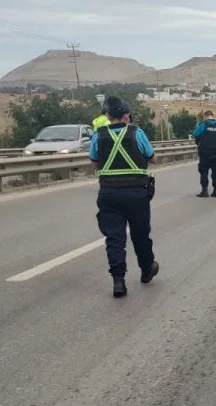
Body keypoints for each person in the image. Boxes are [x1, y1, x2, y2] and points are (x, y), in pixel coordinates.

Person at [89, 96, 159, 298]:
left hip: (109, 193)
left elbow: (94, 163)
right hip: (136, 193)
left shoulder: (98, 135)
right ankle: (146, 269)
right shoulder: (137, 133)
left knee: (114, 238)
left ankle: (118, 281)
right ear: (127, 115)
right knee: (140, 234)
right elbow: (153, 158)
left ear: (108, 115)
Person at [192, 111, 216, 198]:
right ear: (212, 116)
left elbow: (195, 134)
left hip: (205, 152)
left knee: (203, 171)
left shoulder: (203, 125)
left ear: (206, 116)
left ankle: (204, 191)